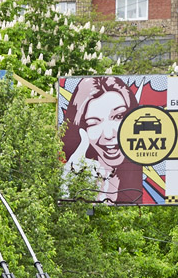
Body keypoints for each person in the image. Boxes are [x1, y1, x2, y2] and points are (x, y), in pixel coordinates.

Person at [61, 76, 143, 204]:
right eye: (93, 123)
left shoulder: (143, 185)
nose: (108, 134)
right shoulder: (80, 174)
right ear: (83, 130)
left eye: (118, 116)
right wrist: (66, 185)